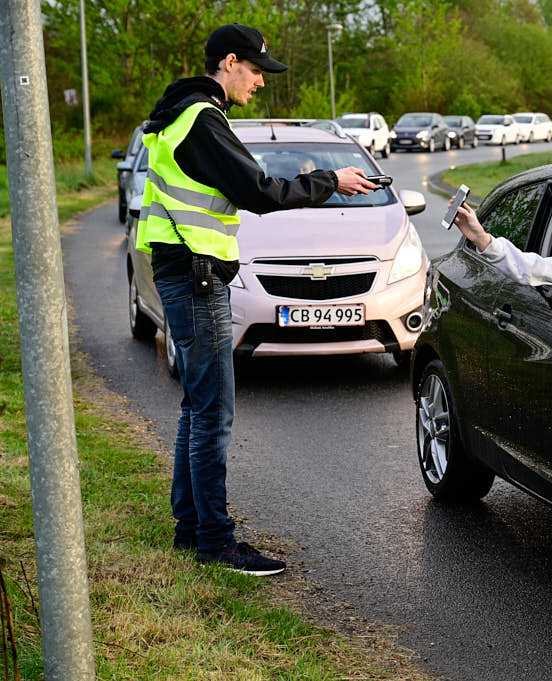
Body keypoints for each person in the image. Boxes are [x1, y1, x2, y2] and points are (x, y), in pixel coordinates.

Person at [135, 23, 378, 576]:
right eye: (255, 71)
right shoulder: (201, 118)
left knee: (198, 408)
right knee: (213, 411)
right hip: (196, 276)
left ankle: (191, 530)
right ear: (228, 62)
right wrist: (329, 181)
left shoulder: (185, 113)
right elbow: (260, 193)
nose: (260, 83)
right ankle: (215, 542)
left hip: (186, 271)